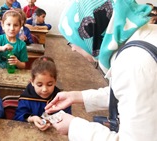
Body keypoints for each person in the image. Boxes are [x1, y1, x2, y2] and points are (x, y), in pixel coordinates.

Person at [45, 0, 157, 141]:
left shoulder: (134, 64)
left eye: (72, 42)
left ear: (91, 32)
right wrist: (77, 96)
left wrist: (74, 126)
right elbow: (129, 94)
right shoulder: (144, 39)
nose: (73, 48)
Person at [14, 56, 72, 131]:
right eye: (39, 85)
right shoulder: (26, 99)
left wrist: (53, 123)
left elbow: (67, 120)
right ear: (32, 82)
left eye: (50, 84)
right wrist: (32, 118)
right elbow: (18, 117)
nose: (44, 89)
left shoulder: (61, 100)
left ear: (55, 81)